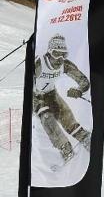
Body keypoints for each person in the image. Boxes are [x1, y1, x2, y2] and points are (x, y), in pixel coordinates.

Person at [33, 33, 92, 164]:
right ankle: (65, 149)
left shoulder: (65, 65)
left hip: (50, 94)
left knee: (66, 116)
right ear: (49, 52)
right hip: (35, 96)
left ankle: (85, 138)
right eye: (56, 53)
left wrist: (79, 90)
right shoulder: (39, 63)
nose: (60, 58)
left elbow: (84, 81)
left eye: (64, 54)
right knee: (46, 116)